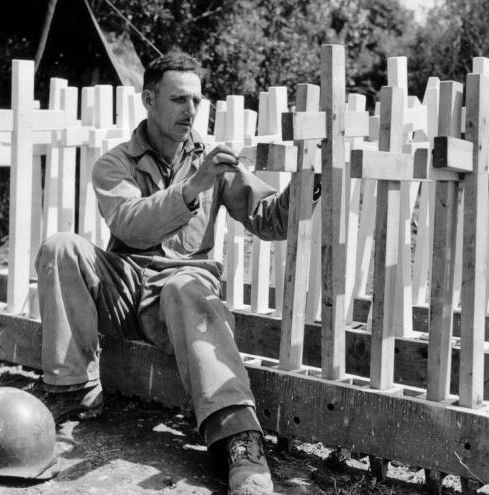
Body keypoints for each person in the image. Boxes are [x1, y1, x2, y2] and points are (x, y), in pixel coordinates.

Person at [35, 51, 317, 495]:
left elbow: (269, 220)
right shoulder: (116, 162)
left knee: (187, 285)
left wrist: (310, 176)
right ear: (149, 99)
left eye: (197, 101)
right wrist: (194, 186)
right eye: (179, 100)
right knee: (61, 247)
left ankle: (239, 438)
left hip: (183, 297)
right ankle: (71, 391)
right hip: (126, 290)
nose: (191, 111)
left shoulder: (212, 160)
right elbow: (130, 223)